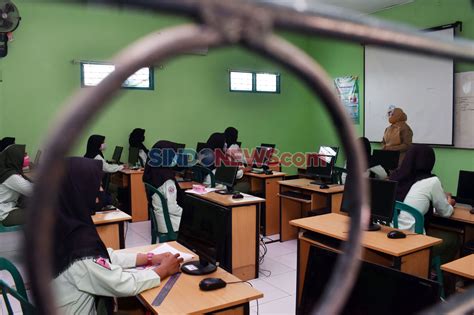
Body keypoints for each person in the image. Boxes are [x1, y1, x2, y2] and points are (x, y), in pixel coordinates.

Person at [52, 158, 183, 314]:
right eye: (97, 186)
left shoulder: (63, 225)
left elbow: (104, 258)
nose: (101, 191)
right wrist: (164, 270)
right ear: (80, 191)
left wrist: (149, 258)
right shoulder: (80, 247)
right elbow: (123, 284)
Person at [390, 145, 457, 263]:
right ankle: (433, 272)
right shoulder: (431, 181)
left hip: (390, 236)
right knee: (452, 239)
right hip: (413, 240)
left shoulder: (395, 176)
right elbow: (446, 212)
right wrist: (449, 202)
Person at [143, 141, 184, 233]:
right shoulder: (167, 181)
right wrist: (188, 213)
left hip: (160, 220)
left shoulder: (153, 172)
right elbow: (172, 208)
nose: (176, 158)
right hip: (170, 224)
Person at [0, 144, 33, 226]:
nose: (26, 158)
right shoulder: (11, 177)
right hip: (5, 214)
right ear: (15, 157)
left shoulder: (5, 171)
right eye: (24, 155)